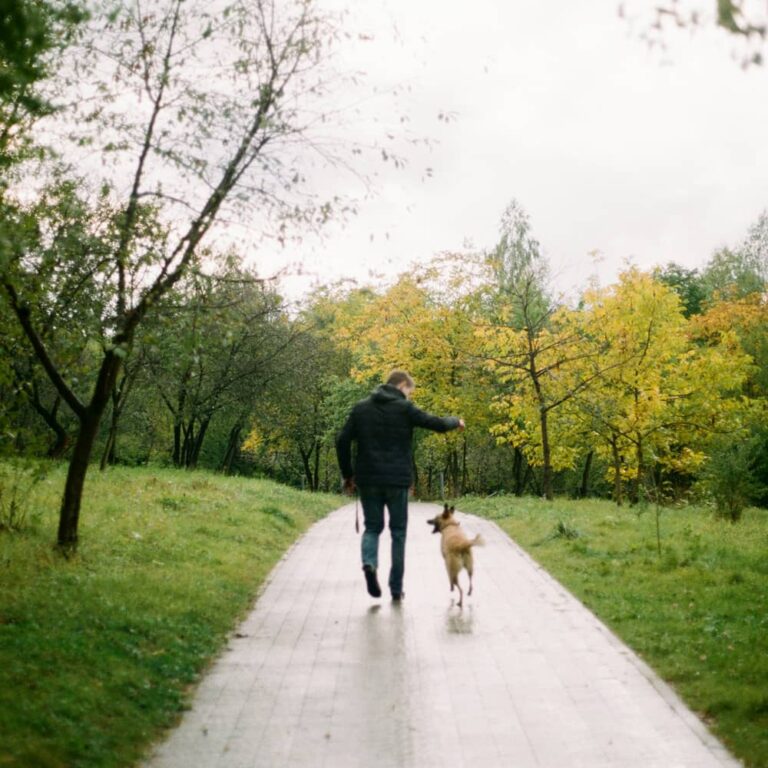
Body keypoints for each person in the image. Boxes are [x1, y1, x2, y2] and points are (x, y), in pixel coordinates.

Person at [336, 370, 465, 601]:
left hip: (368, 479)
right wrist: (456, 421)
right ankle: (396, 589)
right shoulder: (405, 409)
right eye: (409, 391)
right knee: (398, 533)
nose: (409, 395)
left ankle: (369, 563)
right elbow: (435, 423)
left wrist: (348, 474)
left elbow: (342, 440)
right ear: (402, 385)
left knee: (373, 527)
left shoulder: (361, 408)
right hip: (397, 481)